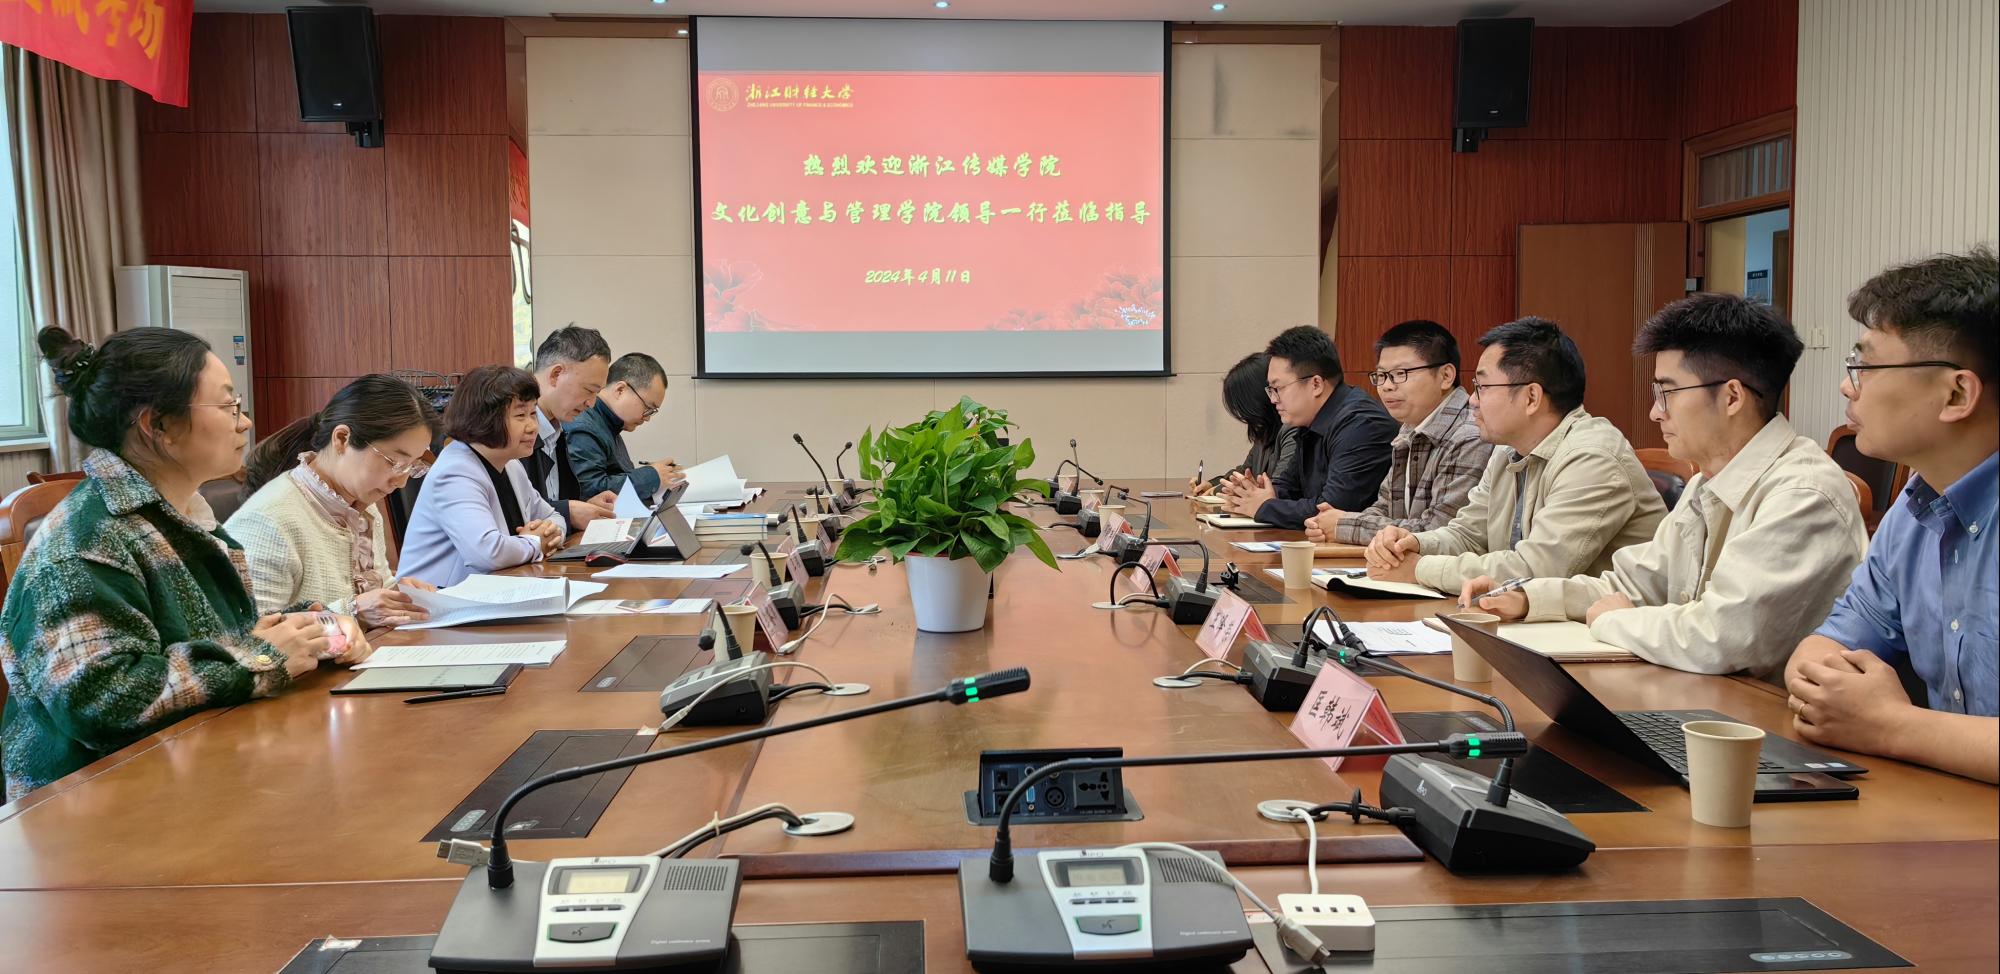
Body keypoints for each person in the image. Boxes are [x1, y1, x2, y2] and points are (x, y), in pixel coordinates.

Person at [0, 328, 368, 800]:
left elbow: (225, 633)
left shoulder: (179, 515)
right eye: (228, 406)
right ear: (159, 425)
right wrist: (261, 657)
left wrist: (317, 628)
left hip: (195, 771)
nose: (245, 422)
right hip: (94, 807)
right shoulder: (84, 542)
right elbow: (101, 703)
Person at [1462, 295, 1865, 680]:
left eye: (1666, 392)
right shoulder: (1707, 482)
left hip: (1759, 715)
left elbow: (1720, 637)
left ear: (1731, 397)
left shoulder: (1802, 494)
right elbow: (1632, 585)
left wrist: (1616, 620)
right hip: (1701, 696)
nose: (1656, 412)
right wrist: (1528, 597)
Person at [1785, 247, 1998, 783]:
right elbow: (1824, 649)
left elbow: (1881, 721)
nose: (1847, 385)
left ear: (1956, 393)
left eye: (1865, 366)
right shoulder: (1915, 505)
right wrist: (1830, 688)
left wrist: (1893, 726)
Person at [1364, 316, 1665, 592]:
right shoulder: (1508, 450)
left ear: (1531, 397)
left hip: (1609, 627)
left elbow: (1535, 570)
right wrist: (1413, 544)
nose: (1472, 400)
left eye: (1482, 386)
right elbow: (1468, 534)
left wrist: (1419, 569)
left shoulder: (1592, 457)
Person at [228, 375, 444, 627]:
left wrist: (398, 595)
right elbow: (252, 636)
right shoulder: (268, 521)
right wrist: (351, 611)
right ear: (341, 439)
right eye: (394, 462)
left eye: (411, 467)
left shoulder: (362, 507)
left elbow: (370, 599)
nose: (401, 482)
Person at [1305, 320, 1491, 545]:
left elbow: (1438, 531)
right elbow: (1385, 507)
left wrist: (1343, 525)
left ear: (1446, 376)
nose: (1387, 386)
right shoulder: (1410, 428)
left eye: (1400, 373)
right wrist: (1330, 524)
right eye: (1381, 375)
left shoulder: (1469, 435)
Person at [397, 366, 566, 588]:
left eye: (533, 413)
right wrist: (535, 542)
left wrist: (550, 535)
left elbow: (554, 517)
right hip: (436, 600)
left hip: (496, 590)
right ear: (486, 419)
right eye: (520, 415)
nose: (533, 426)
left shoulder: (511, 464)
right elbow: (488, 553)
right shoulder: (455, 471)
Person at [1220, 326, 1395, 528]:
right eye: (1270, 390)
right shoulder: (1309, 420)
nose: (1273, 399)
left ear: (1316, 384)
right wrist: (1251, 495)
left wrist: (1264, 506)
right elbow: (1288, 487)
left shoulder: (1362, 425)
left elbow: (1331, 511)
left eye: (1278, 388)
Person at [567, 352, 686, 502]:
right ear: (620, 390)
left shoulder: (609, 424)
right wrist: (652, 476)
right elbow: (590, 490)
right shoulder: (584, 427)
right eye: (648, 408)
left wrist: (658, 475)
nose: (647, 418)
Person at [528, 324, 616, 528]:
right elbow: (511, 512)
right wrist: (568, 511)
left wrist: (584, 506)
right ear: (556, 375)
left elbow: (548, 501)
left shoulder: (557, 429)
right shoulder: (508, 432)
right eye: (589, 390)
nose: (591, 403)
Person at [1188, 353, 1299, 497]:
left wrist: (1217, 490)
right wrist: (1212, 484)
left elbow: (1279, 490)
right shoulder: (1264, 432)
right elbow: (1244, 472)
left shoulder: (1293, 431)